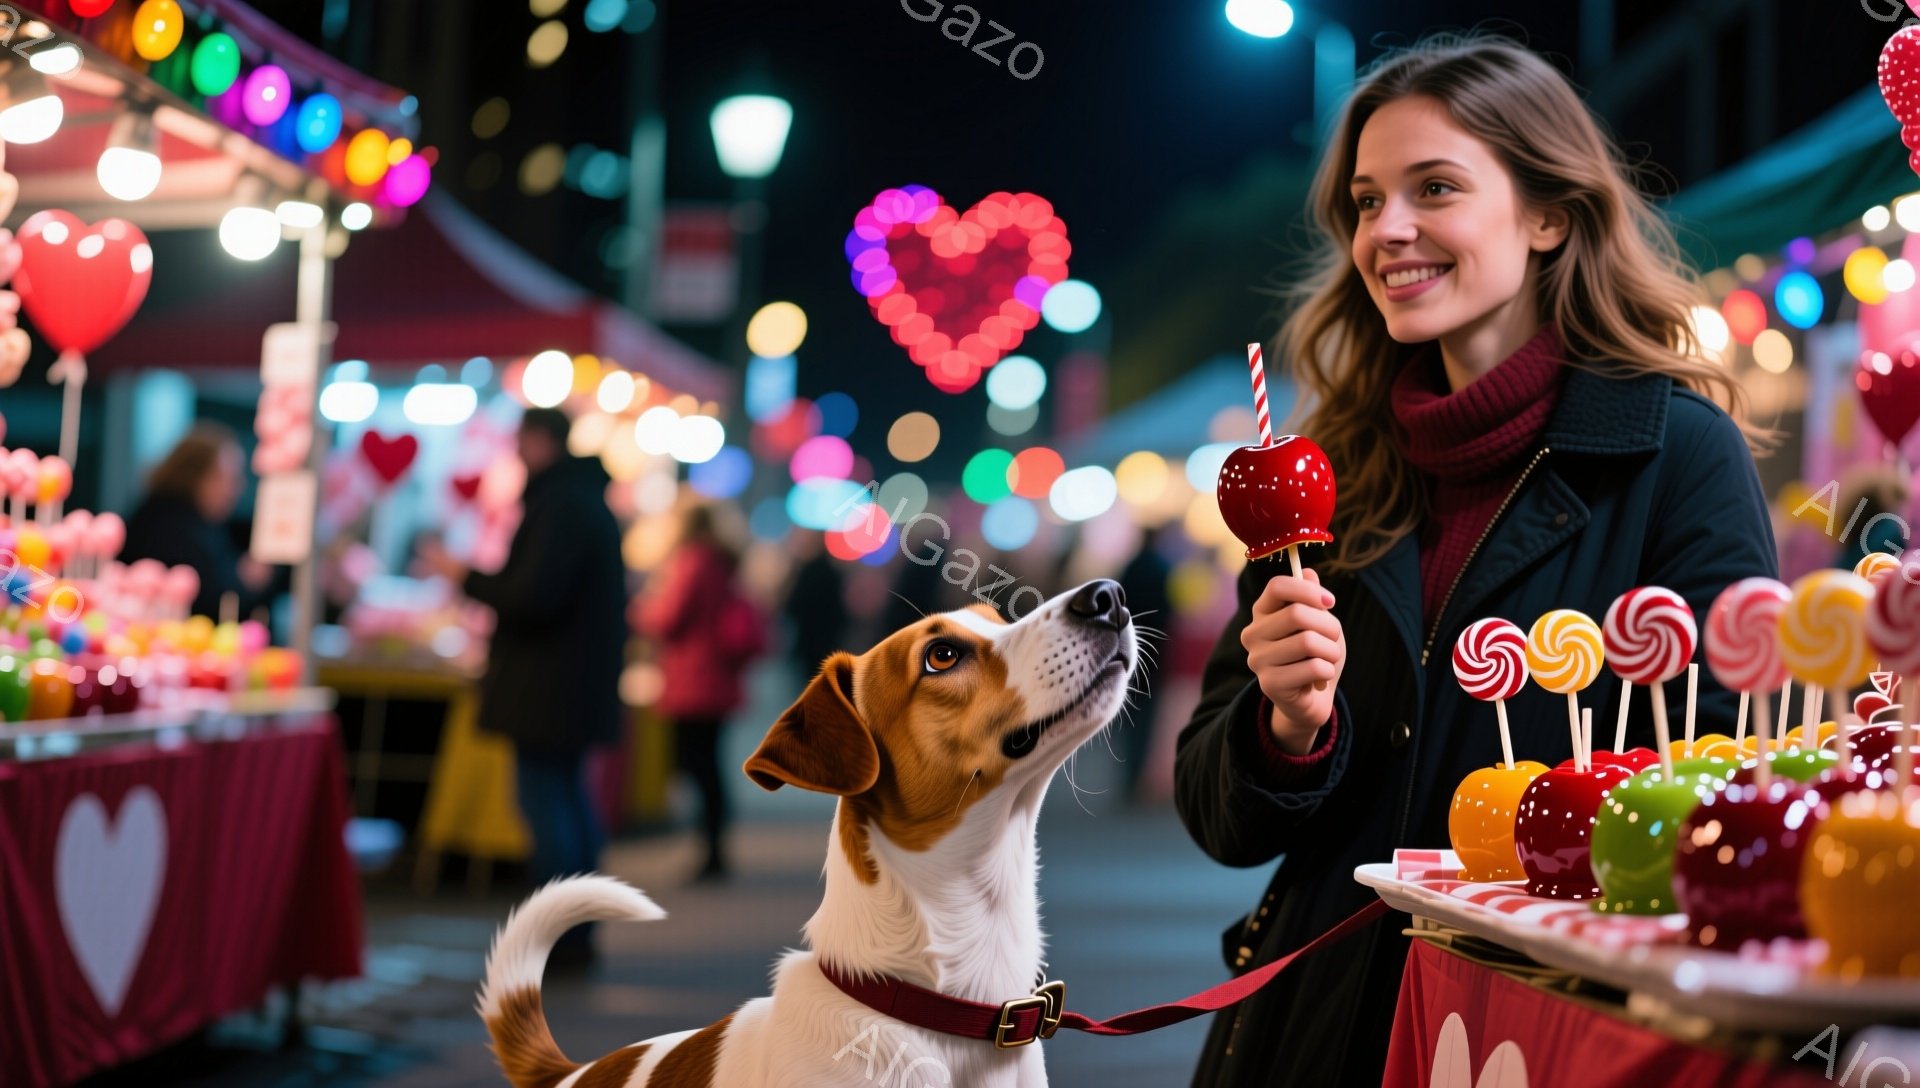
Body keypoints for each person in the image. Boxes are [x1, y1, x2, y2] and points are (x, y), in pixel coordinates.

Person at [1173, 36, 1776, 1086]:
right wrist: (1283, 731)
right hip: (1316, 1030)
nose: (1387, 231)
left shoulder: (1674, 450)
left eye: (1434, 188)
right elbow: (1216, 813)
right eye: (1365, 201)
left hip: (1535, 1028)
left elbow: (1730, 766)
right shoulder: (1331, 475)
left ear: (1548, 214)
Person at [432, 407, 626, 963]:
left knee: (549, 807)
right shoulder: (583, 499)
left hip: (548, 689)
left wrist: (464, 576)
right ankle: (578, 930)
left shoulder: (558, 503)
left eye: (519, 441)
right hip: (572, 686)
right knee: (569, 801)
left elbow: (532, 595)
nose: (514, 453)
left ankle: (563, 937)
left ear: (538, 441)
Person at [634, 504, 766, 882]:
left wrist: (641, 608)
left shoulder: (691, 562)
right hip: (718, 676)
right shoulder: (725, 562)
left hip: (694, 676)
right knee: (710, 763)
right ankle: (714, 847)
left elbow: (667, 619)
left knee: (696, 764)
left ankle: (710, 850)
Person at [122, 423, 272, 620]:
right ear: (200, 478)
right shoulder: (172, 527)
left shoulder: (188, 519)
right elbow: (208, 601)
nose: (238, 489)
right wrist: (245, 581)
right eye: (230, 479)